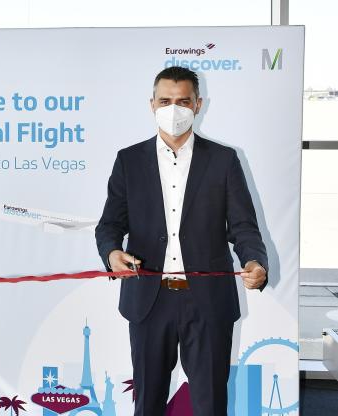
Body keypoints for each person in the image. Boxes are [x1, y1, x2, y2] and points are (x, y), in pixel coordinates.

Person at [95, 66, 268, 416]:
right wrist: (112, 253)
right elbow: (109, 224)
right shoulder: (129, 161)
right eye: (165, 101)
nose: (174, 109)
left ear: (198, 104)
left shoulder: (223, 160)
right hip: (148, 300)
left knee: (210, 406)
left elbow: (244, 227)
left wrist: (255, 262)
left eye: (183, 101)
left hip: (208, 302)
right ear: (152, 104)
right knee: (147, 405)